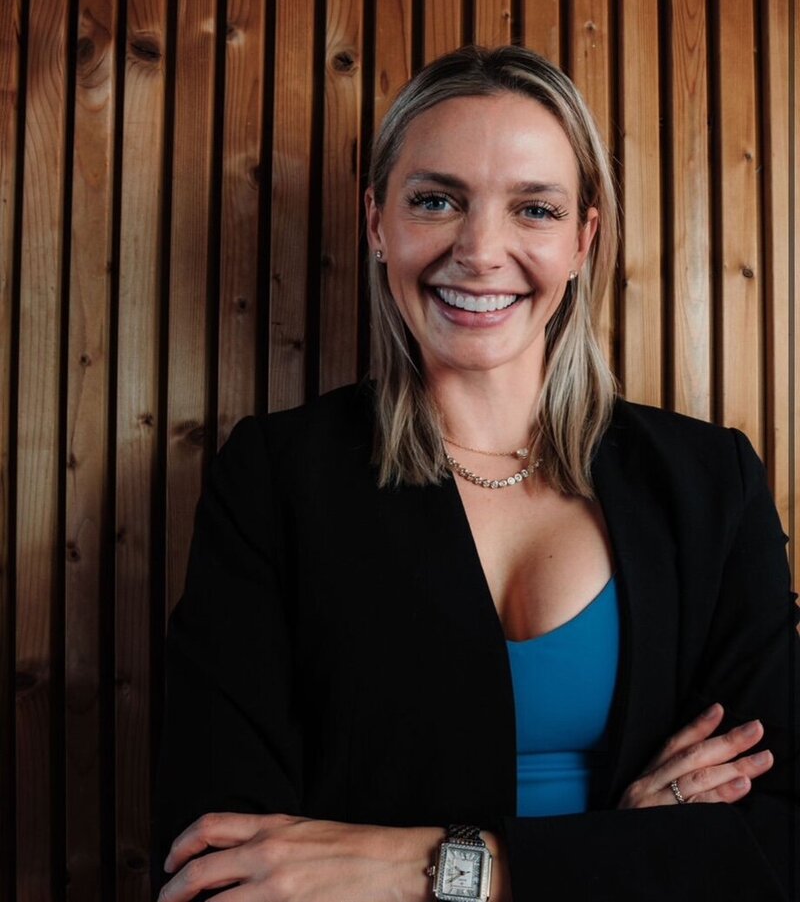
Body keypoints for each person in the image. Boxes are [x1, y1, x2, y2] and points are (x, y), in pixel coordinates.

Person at [153, 45, 799, 901]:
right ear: (377, 222)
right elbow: (220, 863)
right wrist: (629, 849)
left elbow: (777, 842)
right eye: (436, 200)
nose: (482, 250)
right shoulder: (273, 481)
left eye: (534, 208)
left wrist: (432, 866)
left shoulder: (712, 483)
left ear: (583, 239)